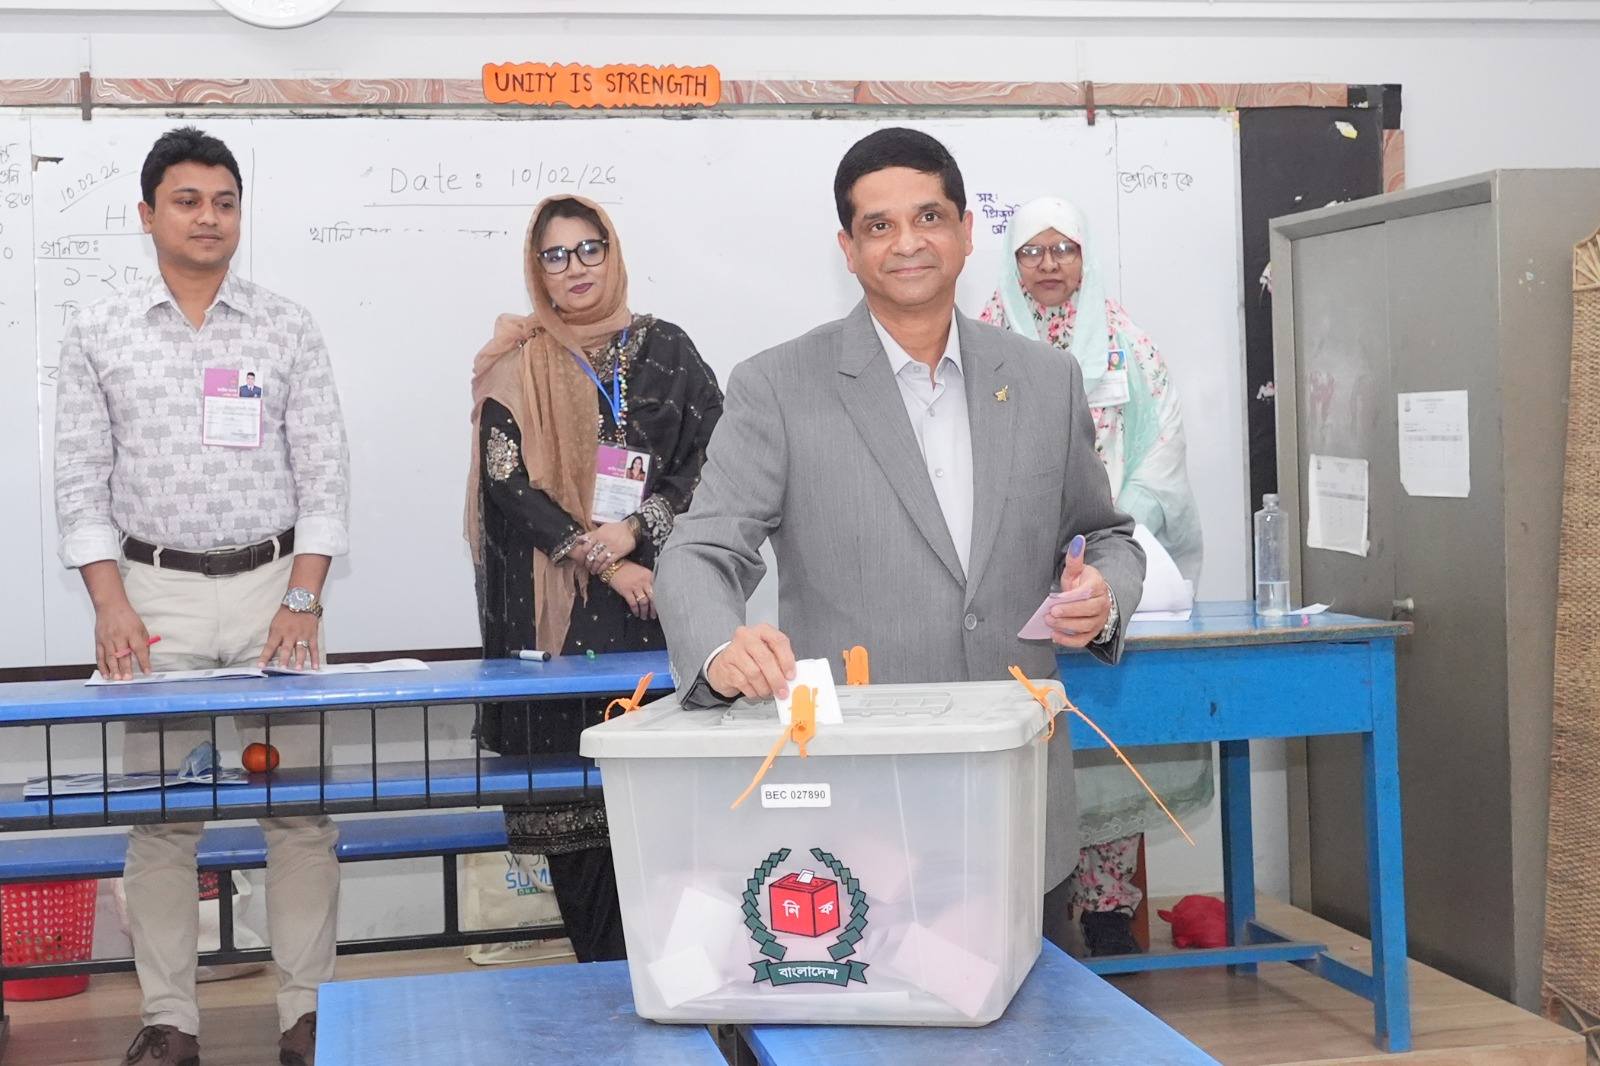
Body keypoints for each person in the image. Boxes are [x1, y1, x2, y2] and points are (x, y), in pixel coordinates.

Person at [654, 128, 1145, 947]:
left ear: (965, 232)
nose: (908, 241)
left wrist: (1104, 595)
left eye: (928, 216)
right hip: (860, 812)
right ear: (847, 249)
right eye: (879, 226)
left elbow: (1109, 535)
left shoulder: (1045, 379)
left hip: (1018, 792)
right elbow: (701, 550)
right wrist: (717, 651)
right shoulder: (777, 386)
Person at [54, 127, 346, 1066]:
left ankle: (307, 1016)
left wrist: (302, 598)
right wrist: (109, 601)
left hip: (275, 596)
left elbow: (326, 473)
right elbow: (78, 481)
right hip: (153, 601)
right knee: (163, 820)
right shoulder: (99, 333)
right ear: (148, 215)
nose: (208, 217)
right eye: (187, 200)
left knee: (297, 815)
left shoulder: (285, 325)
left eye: (224, 201)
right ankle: (169, 1021)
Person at [466, 194, 723, 963]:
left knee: (669, 840)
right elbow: (508, 488)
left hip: (659, 613)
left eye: (588, 249)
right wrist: (603, 558)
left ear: (612, 254)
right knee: (577, 842)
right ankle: (607, 995)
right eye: (554, 255)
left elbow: (714, 460)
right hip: (557, 630)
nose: (573, 268)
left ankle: (680, 992)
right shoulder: (517, 362)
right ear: (535, 269)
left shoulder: (668, 351)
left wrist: (640, 530)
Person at [982, 196, 1210, 957]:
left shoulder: (1125, 343)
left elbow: (1162, 442)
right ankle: (1022, 910)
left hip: (1106, 561)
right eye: (1032, 252)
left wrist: (1119, 523)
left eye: (1063, 248)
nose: (1048, 265)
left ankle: (1110, 911)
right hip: (1008, 567)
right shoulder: (980, 334)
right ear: (1013, 263)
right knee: (1021, 744)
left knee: (1110, 744)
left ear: (1086, 257)